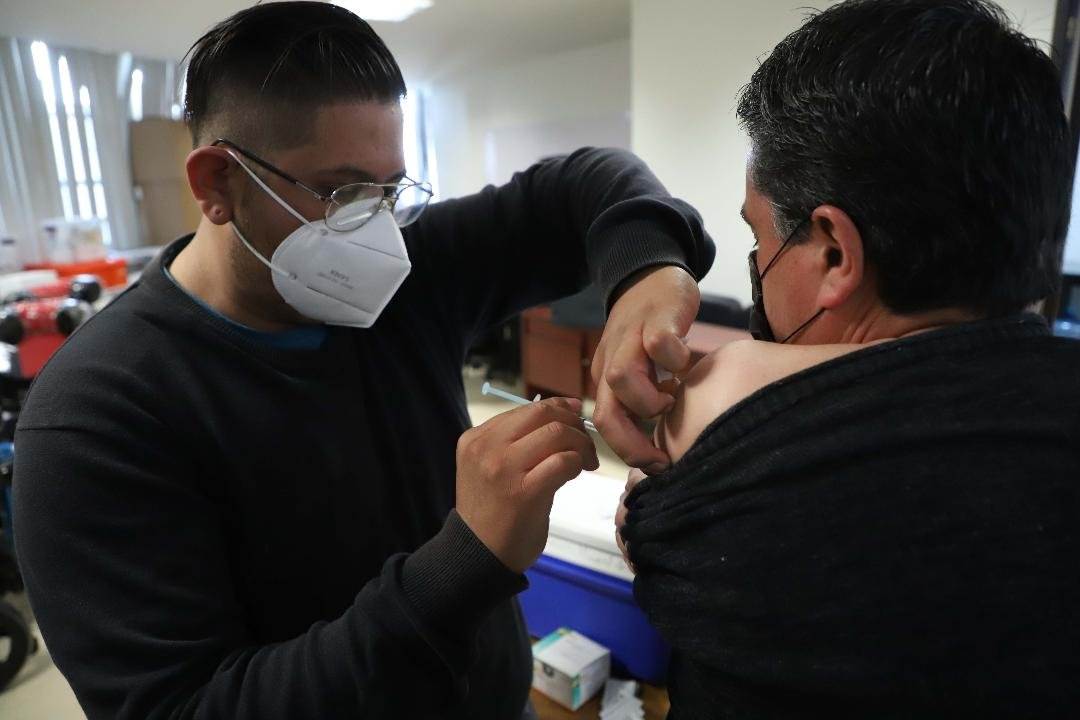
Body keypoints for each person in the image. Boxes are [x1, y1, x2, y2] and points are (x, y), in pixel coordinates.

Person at [12, 3, 714, 718]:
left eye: (389, 191)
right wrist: (466, 560)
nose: (376, 231)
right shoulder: (96, 420)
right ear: (218, 183)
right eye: (342, 193)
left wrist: (643, 269)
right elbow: (183, 707)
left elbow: (586, 181)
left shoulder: (408, 280)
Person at [617, 0, 1080, 716]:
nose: (757, 262)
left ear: (835, 253)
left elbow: (661, 532)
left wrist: (714, 396)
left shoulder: (736, 478)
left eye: (760, 237)